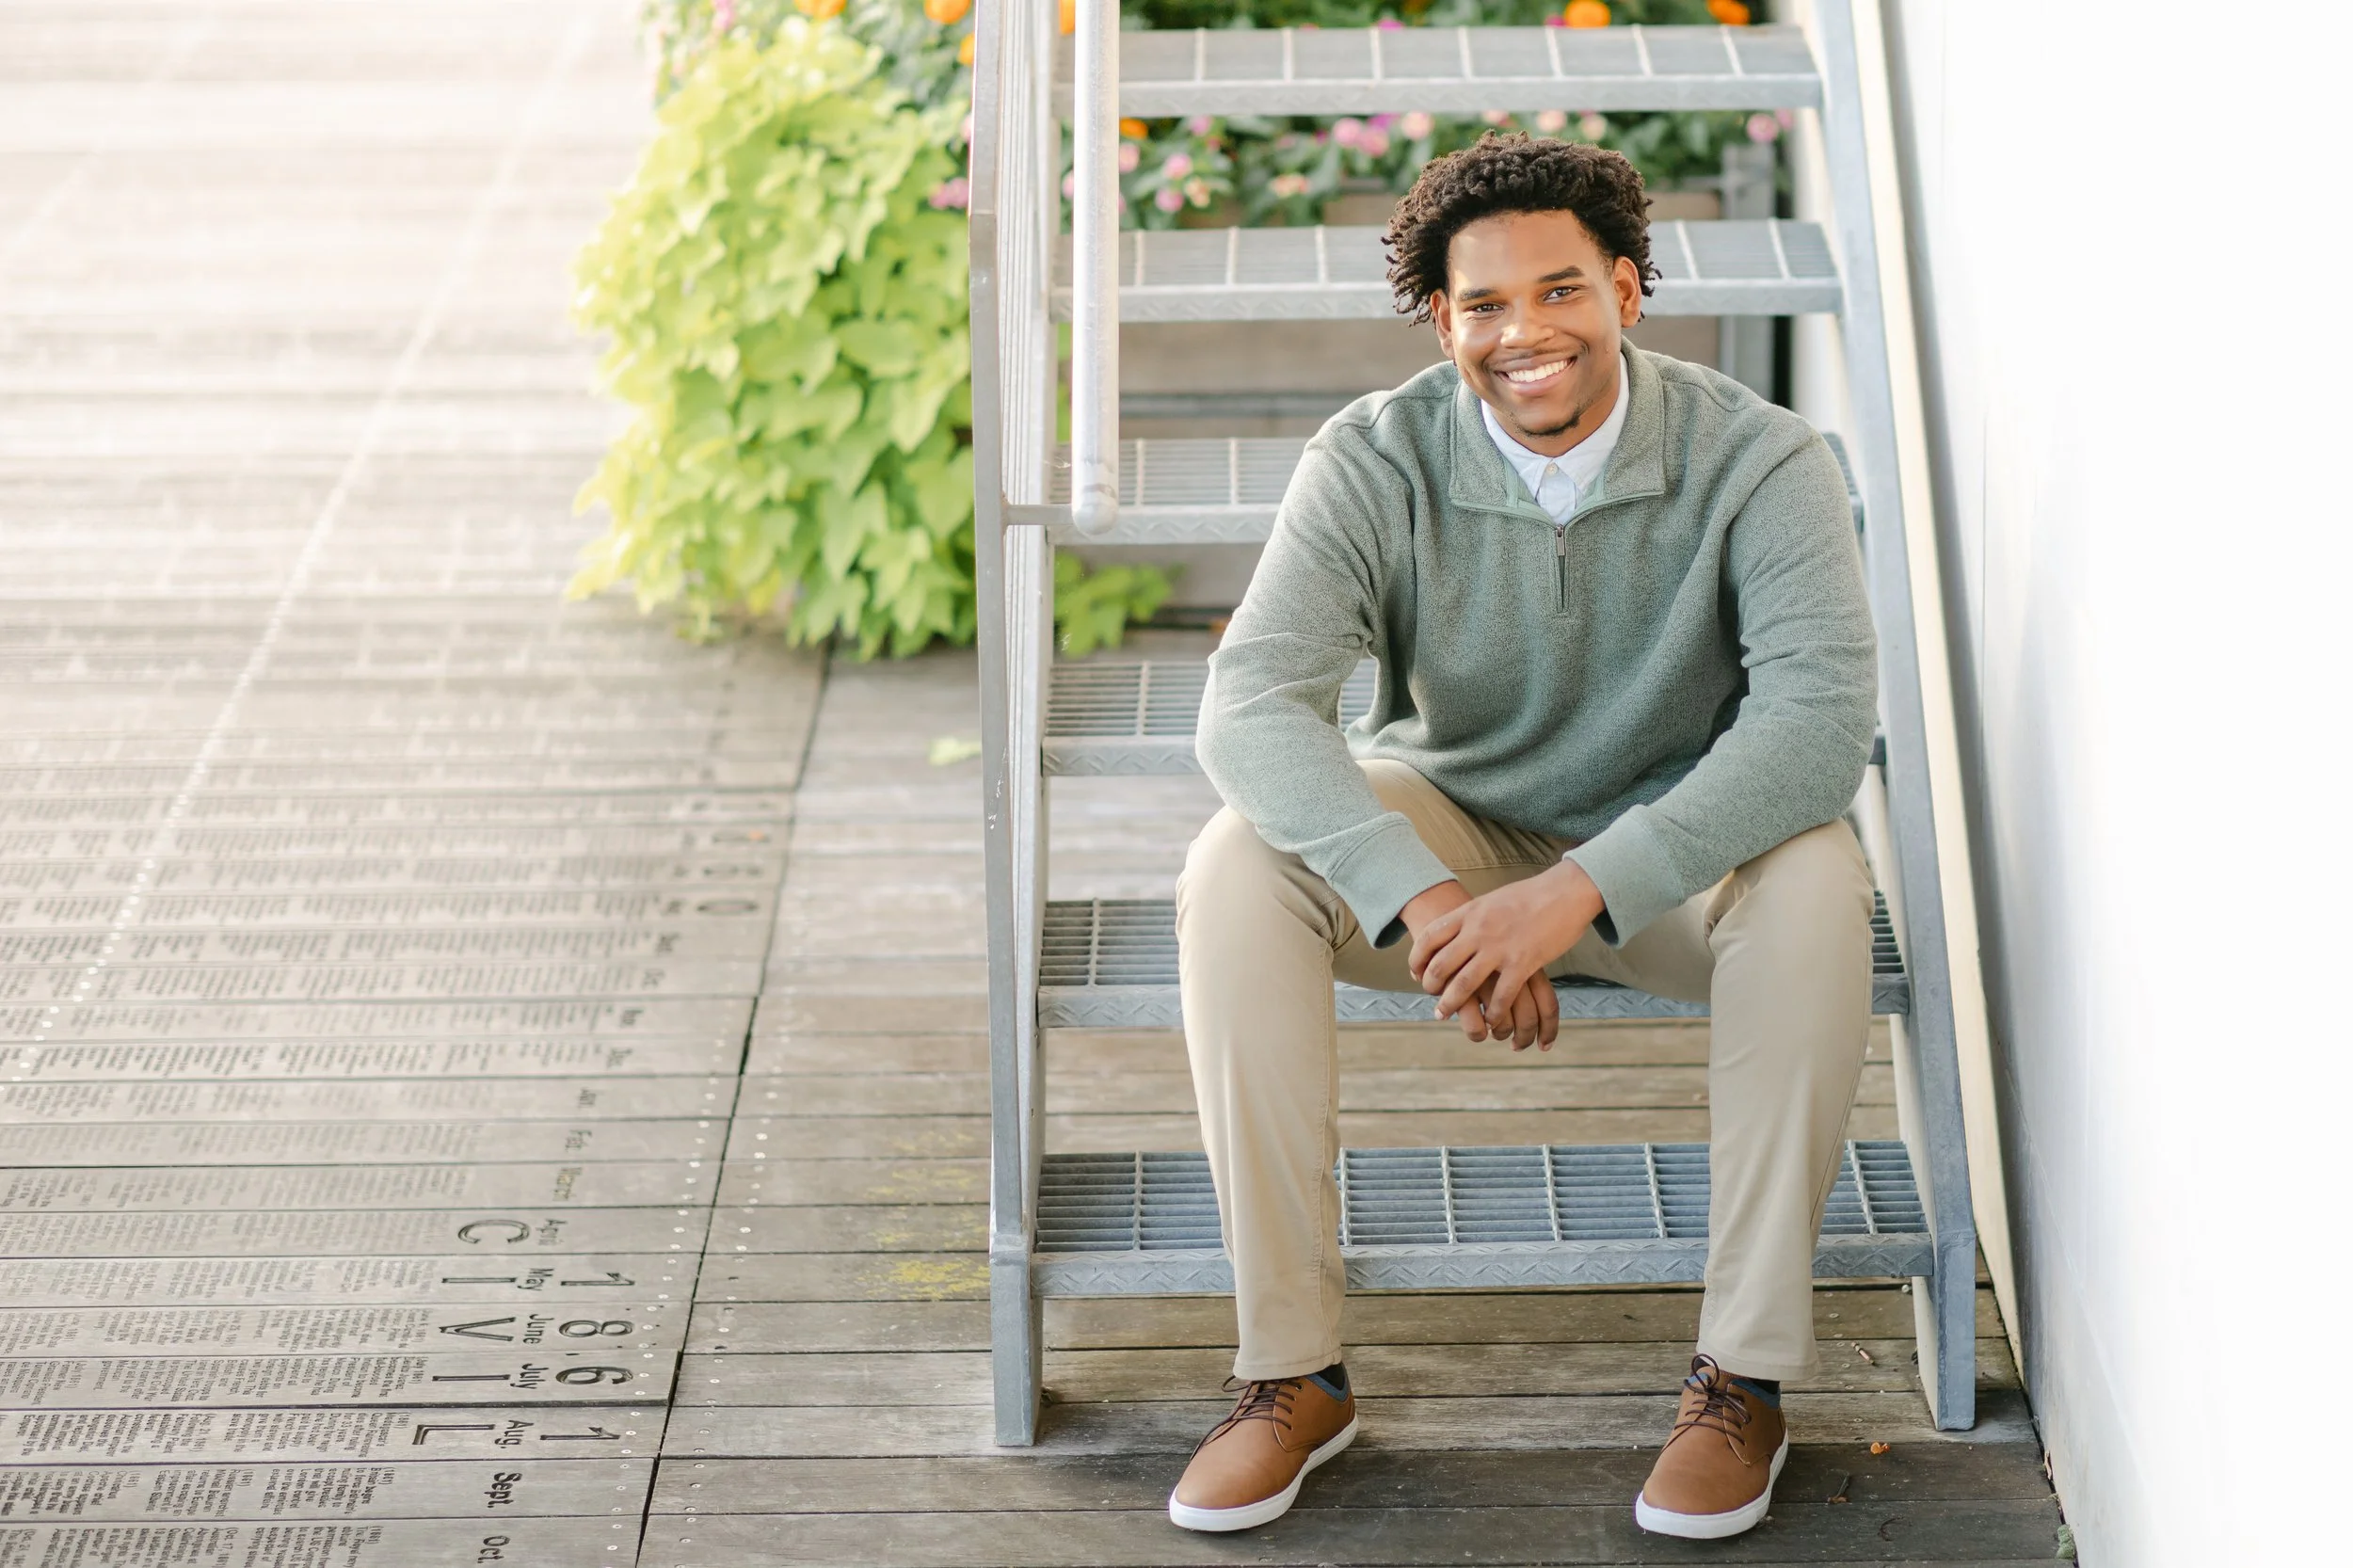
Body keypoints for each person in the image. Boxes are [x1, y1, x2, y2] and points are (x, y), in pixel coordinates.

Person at [1164, 134, 1880, 1542]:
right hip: (1460, 829)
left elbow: (1814, 726)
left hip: (1675, 855)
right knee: (1234, 866)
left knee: (1817, 885)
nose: (1525, 333)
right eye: (1484, 304)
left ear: (1624, 287)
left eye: (1562, 291)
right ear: (1443, 319)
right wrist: (1428, 901)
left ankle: (1741, 1377)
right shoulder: (1372, 457)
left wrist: (1579, 893)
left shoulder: (1761, 456)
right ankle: (1291, 1370)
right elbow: (1249, 704)